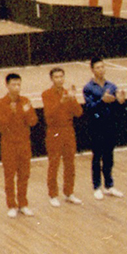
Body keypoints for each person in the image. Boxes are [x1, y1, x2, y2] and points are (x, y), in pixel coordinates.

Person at [0, 72, 38, 217]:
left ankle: (23, 204)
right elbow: (1, 126)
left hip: (24, 143)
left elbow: (33, 121)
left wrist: (25, 113)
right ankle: (11, 205)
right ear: (7, 86)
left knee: (24, 175)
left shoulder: (25, 101)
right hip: (9, 145)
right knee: (9, 176)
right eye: (13, 85)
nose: (17, 88)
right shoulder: (1, 103)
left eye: (19, 84)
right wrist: (11, 113)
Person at [82, 58, 125, 199]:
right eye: (98, 67)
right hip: (96, 125)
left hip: (110, 124)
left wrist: (120, 101)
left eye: (102, 67)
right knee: (97, 156)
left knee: (109, 156)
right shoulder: (88, 88)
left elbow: (117, 107)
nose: (101, 70)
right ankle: (96, 187)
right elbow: (88, 107)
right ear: (92, 70)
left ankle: (109, 185)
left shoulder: (111, 86)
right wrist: (102, 101)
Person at [42, 67, 83, 206]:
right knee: (54, 163)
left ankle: (69, 192)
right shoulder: (46, 94)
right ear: (52, 79)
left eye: (61, 77)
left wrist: (72, 99)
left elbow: (78, 113)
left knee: (70, 163)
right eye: (56, 77)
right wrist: (61, 101)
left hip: (68, 131)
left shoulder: (68, 93)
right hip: (54, 131)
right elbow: (49, 114)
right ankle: (53, 194)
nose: (59, 79)